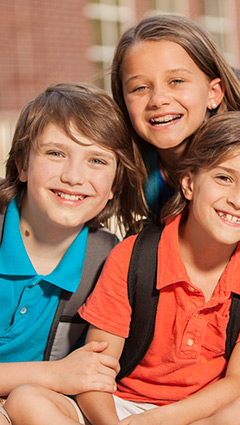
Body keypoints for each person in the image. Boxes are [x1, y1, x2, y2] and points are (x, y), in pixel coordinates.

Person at [5, 111, 240, 425]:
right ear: (189, 183)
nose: (239, 200)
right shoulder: (134, 256)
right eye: (224, 178)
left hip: (196, 416)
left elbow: (238, 384)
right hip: (117, 408)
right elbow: (94, 372)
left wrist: (158, 421)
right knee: (25, 398)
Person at [0, 83, 148, 424]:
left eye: (96, 160)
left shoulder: (109, 259)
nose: (73, 176)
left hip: (38, 407)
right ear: (22, 164)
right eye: (55, 153)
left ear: (115, 186)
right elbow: (68, 374)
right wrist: (55, 374)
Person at [110, 13, 240, 217]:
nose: (157, 100)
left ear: (213, 93)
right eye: (139, 87)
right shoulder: (129, 173)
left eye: (176, 81)